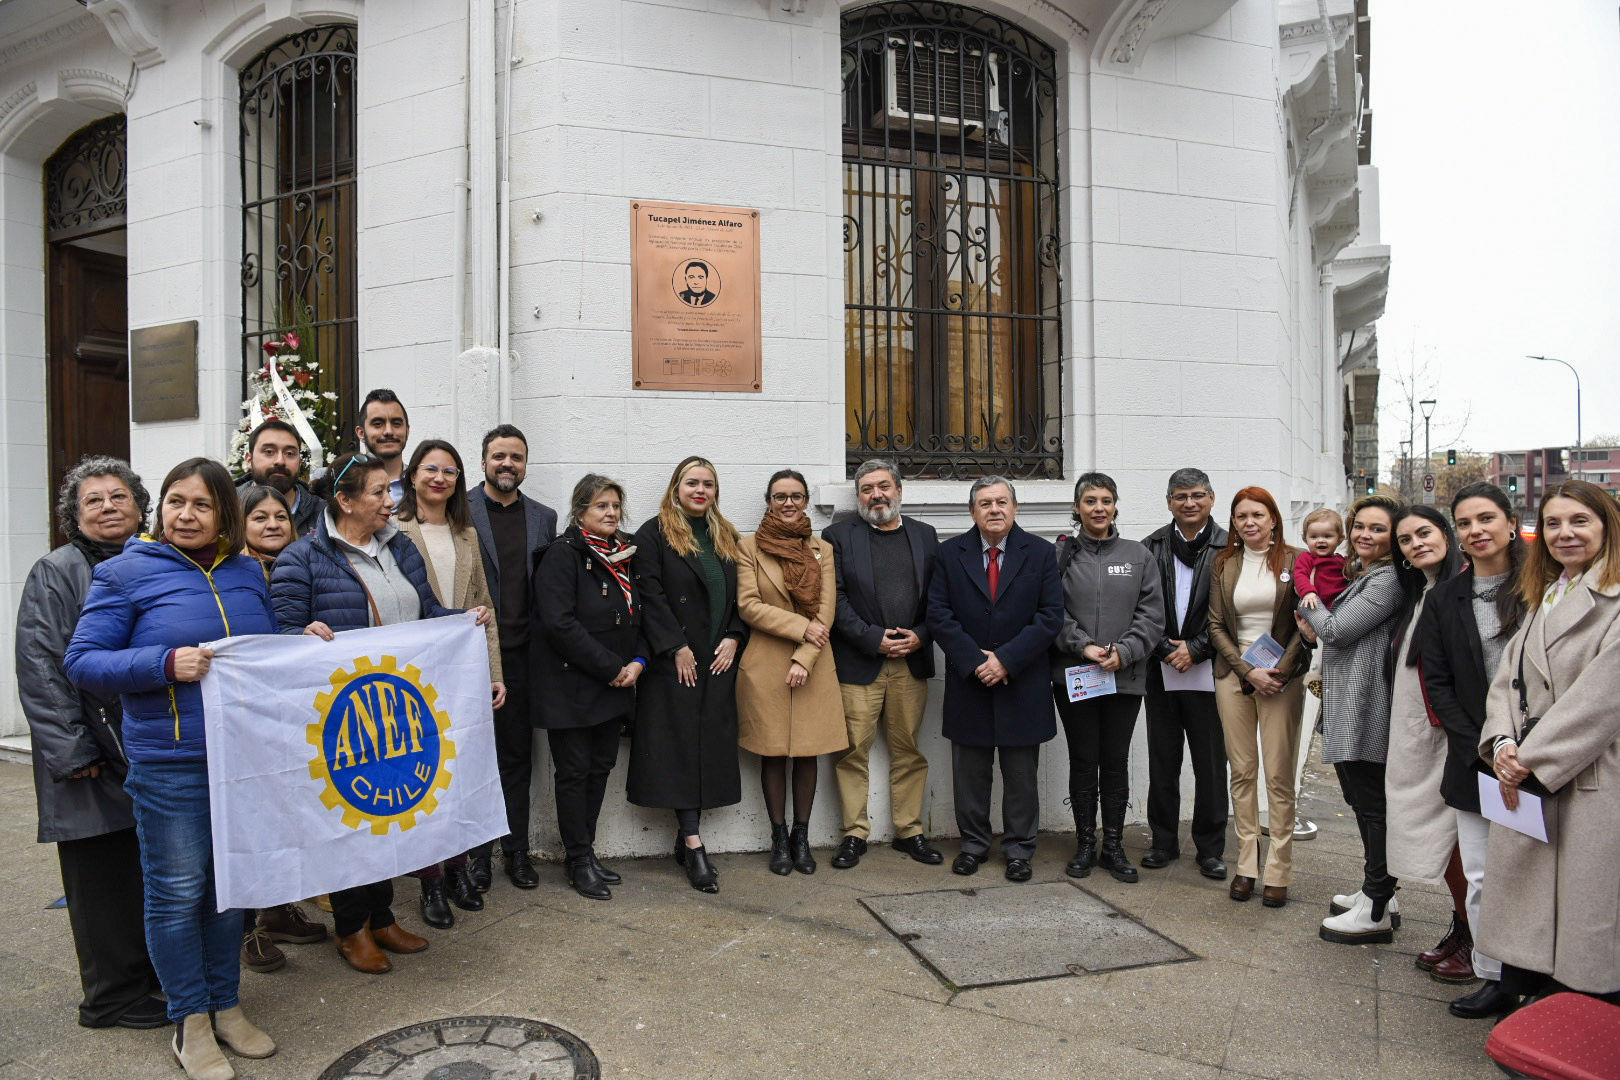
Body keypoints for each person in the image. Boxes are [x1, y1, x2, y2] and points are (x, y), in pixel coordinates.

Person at [64, 458, 280, 1080]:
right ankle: (190, 1022)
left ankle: (227, 1005)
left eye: (202, 505)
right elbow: (83, 662)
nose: (186, 515)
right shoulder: (125, 572)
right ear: (160, 507)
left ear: (225, 517)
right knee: (178, 893)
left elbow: (259, 653)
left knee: (227, 887)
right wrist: (163, 663)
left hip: (239, 761)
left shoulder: (246, 572)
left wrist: (303, 639)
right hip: (171, 765)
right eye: (175, 501)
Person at [271, 450, 491, 975]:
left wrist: (462, 621)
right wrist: (302, 635)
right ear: (344, 501)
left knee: (388, 815)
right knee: (349, 819)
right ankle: (351, 930)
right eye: (378, 492)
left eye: (389, 491)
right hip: (341, 717)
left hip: (396, 708)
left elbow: (427, 614)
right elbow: (279, 633)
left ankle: (383, 917)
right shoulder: (301, 559)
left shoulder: (401, 550)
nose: (390, 501)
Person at [16, 457, 164, 1031]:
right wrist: (72, 751)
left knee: (142, 875)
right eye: (93, 500)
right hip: (87, 758)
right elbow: (41, 664)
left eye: (118, 496)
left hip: (141, 747)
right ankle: (111, 999)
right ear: (73, 516)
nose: (107, 506)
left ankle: (147, 980)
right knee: (100, 881)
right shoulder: (56, 571)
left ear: (139, 505)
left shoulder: (154, 560)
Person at [1479, 479, 1620, 1006]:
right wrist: (1500, 744)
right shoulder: (1551, 592)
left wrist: (1528, 760)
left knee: (1586, 906)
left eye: (1580, 522)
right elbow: (1506, 679)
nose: (1565, 534)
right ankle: (1520, 990)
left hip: (1588, 778)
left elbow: (1601, 701)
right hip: (1527, 769)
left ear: (1607, 526)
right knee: (1527, 896)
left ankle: (1578, 1012)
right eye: (1555, 523)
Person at [1419, 483, 1524, 1019]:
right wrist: (1484, 746)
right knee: (1481, 874)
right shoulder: (1443, 599)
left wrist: (1524, 749)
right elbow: (1438, 682)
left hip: (1544, 757)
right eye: (1465, 523)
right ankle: (1496, 979)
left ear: (1511, 521)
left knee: (1542, 873)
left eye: (1486, 518)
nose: (1476, 530)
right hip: (1475, 758)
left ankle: (1551, 976)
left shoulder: (1545, 586)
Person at [926, 477, 1062, 882]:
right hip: (970, 681)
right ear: (972, 512)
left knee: (1021, 775)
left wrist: (1006, 660)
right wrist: (975, 660)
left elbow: (1050, 615)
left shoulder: (1039, 553)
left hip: (1021, 682)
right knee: (970, 773)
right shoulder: (951, 554)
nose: (994, 509)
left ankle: (1019, 849)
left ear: (1015, 508)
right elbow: (939, 614)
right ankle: (973, 845)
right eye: (984, 503)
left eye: (1002, 501)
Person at [395, 439, 505, 927]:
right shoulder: (393, 530)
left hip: (461, 675)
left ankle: (460, 868)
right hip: (414, 674)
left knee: (459, 776)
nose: (440, 478)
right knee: (423, 781)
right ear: (413, 474)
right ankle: (431, 880)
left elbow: (484, 607)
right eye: (430, 468)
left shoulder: (466, 533)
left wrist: (494, 673)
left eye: (450, 471)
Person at [628, 456, 747, 893]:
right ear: (676, 486)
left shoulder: (726, 534)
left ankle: (687, 836)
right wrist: (674, 646)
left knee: (705, 750)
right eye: (692, 482)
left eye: (709, 484)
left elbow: (742, 596)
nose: (701, 490)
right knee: (679, 750)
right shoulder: (654, 533)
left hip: (716, 661)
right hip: (674, 663)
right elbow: (650, 595)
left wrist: (734, 635)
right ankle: (695, 845)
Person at [822, 460, 942, 869]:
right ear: (858, 497)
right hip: (860, 663)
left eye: (884, 486)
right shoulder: (838, 536)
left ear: (899, 491)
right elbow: (833, 600)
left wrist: (921, 635)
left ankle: (909, 831)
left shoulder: (926, 536)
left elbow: (939, 601)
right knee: (853, 751)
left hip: (912, 661)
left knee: (908, 749)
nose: (877, 495)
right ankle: (854, 834)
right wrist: (874, 639)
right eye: (867, 489)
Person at [533, 474, 646, 900]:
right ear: (580, 512)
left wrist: (637, 662)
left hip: (615, 684)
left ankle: (588, 850)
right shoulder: (564, 555)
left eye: (616, 505)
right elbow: (559, 623)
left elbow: (641, 613)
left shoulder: (627, 554)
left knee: (600, 769)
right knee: (575, 772)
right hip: (572, 686)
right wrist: (611, 667)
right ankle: (577, 859)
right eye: (601, 506)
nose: (611, 513)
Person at [1297, 494, 1404, 942]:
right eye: (1359, 525)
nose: (1364, 535)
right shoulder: (1365, 573)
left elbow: (1337, 630)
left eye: (1377, 529)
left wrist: (1310, 606)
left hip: (1368, 705)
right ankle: (1378, 890)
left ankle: (1377, 905)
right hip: (1352, 701)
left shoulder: (1387, 580)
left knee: (1372, 804)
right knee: (1360, 801)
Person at [235, 483, 329, 974]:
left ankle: (278, 909)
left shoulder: (303, 564)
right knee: (250, 817)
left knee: (286, 814)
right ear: (240, 525)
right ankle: (247, 925)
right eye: (259, 518)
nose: (272, 525)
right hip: (248, 717)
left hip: (293, 715)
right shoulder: (233, 574)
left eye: (280, 517)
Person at [1051, 473, 1163, 884]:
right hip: (1075, 675)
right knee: (1083, 759)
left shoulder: (1138, 555)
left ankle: (1113, 846)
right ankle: (1084, 844)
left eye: (1106, 500)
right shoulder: (1061, 555)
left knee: (1114, 761)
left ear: (1116, 506)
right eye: (1090, 500)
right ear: (1077, 508)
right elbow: (1051, 612)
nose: (1099, 508)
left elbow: (1152, 614)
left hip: (1125, 677)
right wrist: (1083, 646)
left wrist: (1124, 652)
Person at [737, 469, 846, 874]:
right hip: (765, 663)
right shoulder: (747, 546)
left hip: (814, 662)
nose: (788, 503)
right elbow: (749, 605)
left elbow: (827, 609)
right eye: (780, 496)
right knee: (772, 753)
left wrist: (805, 656)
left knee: (807, 752)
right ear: (768, 501)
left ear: (804, 501)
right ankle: (778, 837)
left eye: (796, 496)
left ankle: (802, 837)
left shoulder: (822, 549)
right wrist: (801, 628)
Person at [465, 424, 557, 890]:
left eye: (516, 457)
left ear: (525, 464)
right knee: (474, 759)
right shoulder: (459, 510)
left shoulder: (544, 517)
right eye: (499, 456)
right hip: (469, 658)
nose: (507, 464)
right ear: (483, 461)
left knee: (518, 759)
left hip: (523, 659)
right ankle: (476, 856)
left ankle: (516, 852)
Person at [1206, 487, 1308, 907]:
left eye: (1257, 515)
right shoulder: (1224, 563)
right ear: (1233, 523)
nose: (1249, 522)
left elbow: (1308, 621)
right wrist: (1248, 669)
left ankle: (1279, 869)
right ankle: (1247, 863)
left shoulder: (1297, 560)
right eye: (1241, 516)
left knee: (1279, 777)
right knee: (1243, 772)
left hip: (1281, 679)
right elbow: (1215, 626)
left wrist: (1279, 671)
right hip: (1234, 676)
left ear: (1273, 519)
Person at [1385, 506, 1473, 981]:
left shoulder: (1459, 588)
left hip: (1448, 736)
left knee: (1460, 843)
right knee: (1444, 842)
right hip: (1417, 735)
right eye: (1406, 540)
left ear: (1446, 533)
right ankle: (1462, 928)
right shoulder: (1423, 590)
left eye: (1424, 533)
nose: (1416, 544)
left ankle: (1474, 937)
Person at [1139, 468, 1230, 880]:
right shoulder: (1151, 546)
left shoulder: (1230, 547)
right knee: (1163, 758)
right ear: (1169, 502)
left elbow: (1235, 613)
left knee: (1211, 763)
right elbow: (1139, 608)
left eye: (1197, 495)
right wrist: (1164, 649)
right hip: (1161, 669)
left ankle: (1211, 848)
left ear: (1211, 498)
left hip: (1212, 669)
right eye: (1180, 496)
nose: (1189, 503)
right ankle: (1162, 842)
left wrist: (1195, 649)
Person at [235, 418, 324, 536]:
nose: (280, 461)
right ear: (249, 460)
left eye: (289, 454)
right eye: (269, 452)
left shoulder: (324, 514)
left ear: (300, 463)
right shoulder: (226, 507)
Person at [353, 389, 410, 503]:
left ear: (407, 431)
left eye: (396, 423)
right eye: (378, 424)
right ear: (361, 433)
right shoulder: (342, 481)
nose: (388, 431)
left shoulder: (423, 483)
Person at [1295, 509, 1348, 609]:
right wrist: (1308, 592)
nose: (1320, 540)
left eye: (1327, 536)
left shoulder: (1343, 562)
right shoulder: (1306, 558)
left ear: (1340, 539)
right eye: (1314, 537)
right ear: (1305, 539)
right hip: (1314, 605)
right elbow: (1300, 576)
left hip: (1340, 609)